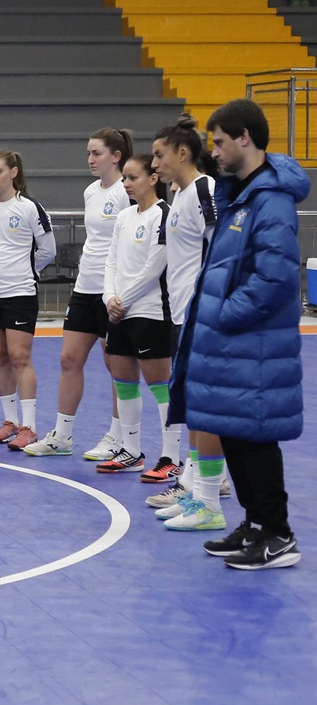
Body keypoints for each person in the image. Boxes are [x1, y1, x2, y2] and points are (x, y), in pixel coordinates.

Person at [174, 99, 307, 568]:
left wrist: (224, 314)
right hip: (236, 343)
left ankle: (278, 534)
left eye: (219, 142)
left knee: (255, 436)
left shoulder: (270, 200)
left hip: (254, 343)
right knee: (234, 430)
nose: (213, 152)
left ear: (245, 138)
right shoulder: (241, 195)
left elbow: (275, 277)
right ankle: (255, 524)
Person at [23, 129, 131, 459]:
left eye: (97, 153)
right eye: (88, 153)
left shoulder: (126, 192)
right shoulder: (90, 192)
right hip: (85, 287)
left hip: (114, 291)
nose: (90, 159)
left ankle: (118, 437)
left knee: (117, 366)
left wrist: (120, 290)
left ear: (116, 156)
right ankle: (62, 435)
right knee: (69, 359)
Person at [149, 115, 233, 522]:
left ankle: (206, 494)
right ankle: (198, 487)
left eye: (159, 155)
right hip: (180, 313)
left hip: (202, 314)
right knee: (193, 405)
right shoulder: (179, 197)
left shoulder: (204, 190)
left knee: (204, 405)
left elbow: (223, 248)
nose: (154, 164)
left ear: (183, 153)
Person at [0, 150, 55, 450]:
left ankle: (29, 426)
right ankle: (10, 421)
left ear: (13, 172)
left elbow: (48, 250)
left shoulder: (29, 207)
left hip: (19, 293)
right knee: (0, 356)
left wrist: (25, 272)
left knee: (20, 357)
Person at [97, 154, 175, 476]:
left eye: (133, 178)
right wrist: (108, 298)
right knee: (124, 381)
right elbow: (111, 261)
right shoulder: (124, 216)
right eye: (124, 179)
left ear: (153, 179)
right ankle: (131, 452)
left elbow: (154, 267)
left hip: (149, 312)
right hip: (119, 312)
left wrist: (122, 301)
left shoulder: (164, 215)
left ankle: (171, 459)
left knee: (160, 385)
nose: (127, 184)